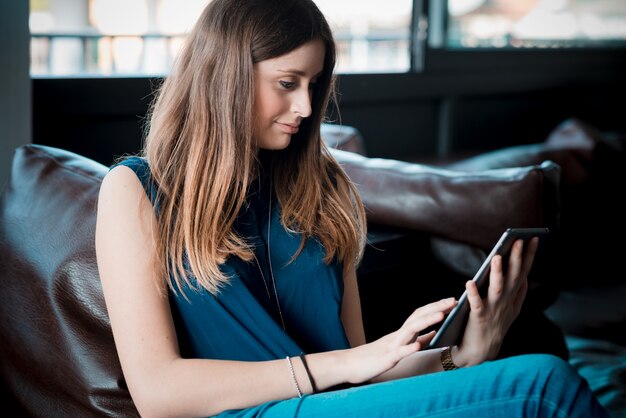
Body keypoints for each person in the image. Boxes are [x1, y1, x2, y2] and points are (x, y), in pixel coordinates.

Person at [95, 0, 608, 417]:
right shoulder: (135, 190)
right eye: (287, 82)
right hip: (247, 413)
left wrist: (469, 354)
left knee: (540, 374)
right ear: (224, 74)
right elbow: (158, 393)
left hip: (332, 407)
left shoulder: (321, 188)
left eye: (314, 85)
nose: (304, 107)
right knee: (543, 385)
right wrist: (348, 362)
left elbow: (363, 378)